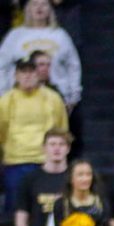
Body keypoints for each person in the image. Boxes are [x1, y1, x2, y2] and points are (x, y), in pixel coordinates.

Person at [0, 57, 67, 214]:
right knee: (16, 208)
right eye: (23, 72)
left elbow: (62, 131)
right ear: (16, 76)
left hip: (46, 162)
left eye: (31, 71)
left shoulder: (53, 99)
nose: (28, 76)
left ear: (38, 74)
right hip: (16, 162)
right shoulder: (5, 101)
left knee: (48, 208)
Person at [0, 0, 82, 109]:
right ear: (28, 9)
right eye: (35, 4)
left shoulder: (60, 35)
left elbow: (73, 66)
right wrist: (3, 93)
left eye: (44, 4)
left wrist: (73, 96)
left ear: (50, 9)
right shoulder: (15, 36)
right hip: (20, 100)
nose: (39, 8)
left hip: (57, 99)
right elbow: (2, 65)